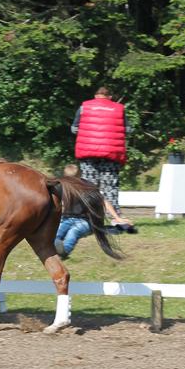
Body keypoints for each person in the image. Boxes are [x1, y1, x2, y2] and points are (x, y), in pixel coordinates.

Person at [71, 86, 134, 231]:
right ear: (110, 97)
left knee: (89, 187)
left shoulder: (84, 107)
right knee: (110, 187)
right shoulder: (119, 108)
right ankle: (116, 218)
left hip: (88, 154)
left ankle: (88, 218)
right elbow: (129, 130)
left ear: (95, 96)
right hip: (111, 154)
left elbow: (74, 129)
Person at [54, 164, 93, 259]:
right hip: (66, 218)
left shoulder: (87, 187)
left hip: (84, 220)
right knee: (56, 233)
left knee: (74, 232)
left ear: (79, 177)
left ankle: (64, 252)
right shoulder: (62, 187)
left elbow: (100, 201)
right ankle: (54, 249)